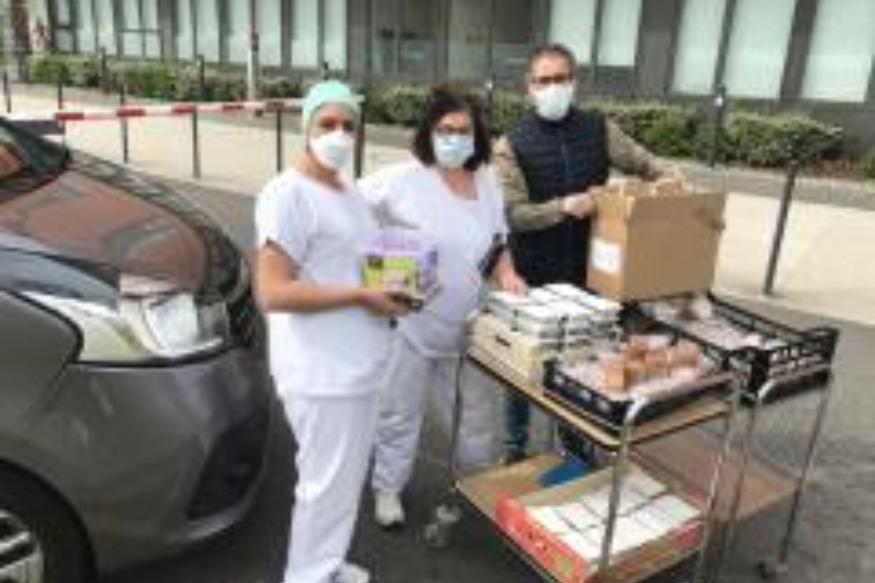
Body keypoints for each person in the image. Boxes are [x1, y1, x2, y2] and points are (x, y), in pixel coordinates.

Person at [254, 80, 411, 583]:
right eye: (327, 123)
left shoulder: (346, 190)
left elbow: (352, 264)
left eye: (348, 125)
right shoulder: (287, 194)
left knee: (341, 486)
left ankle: (326, 565)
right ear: (306, 127)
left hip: (358, 362)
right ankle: (307, 575)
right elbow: (274, 292)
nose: (339, 134)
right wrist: (362, 296)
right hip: (321, 370)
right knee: (323, 487)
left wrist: (399, 286)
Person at [494, 43, 681, 462]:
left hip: (589, 270)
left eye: (561, 78)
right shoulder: (511, 144)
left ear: (574, 81)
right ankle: (515, 445)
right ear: (529, 86)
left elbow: (645, 162)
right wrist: (561, 207)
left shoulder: (598, 130)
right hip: (532, 273)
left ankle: (574, 440)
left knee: (581, 362)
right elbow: (513, 214)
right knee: (523, 365)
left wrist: (673, 180)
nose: (553, 87)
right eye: (544, 80)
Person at [358, 87, 527, 529]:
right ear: (429, 133)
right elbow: (348, 207)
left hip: (467, 324)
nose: (454, 138)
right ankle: (388, 489)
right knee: (399, 411)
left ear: (477, 135)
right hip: (410, 325)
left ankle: (477, 486)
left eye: (463, 130)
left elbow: (497, 241)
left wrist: (508, 274)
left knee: (474, 416)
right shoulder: (404, 178)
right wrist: (375, 263)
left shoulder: (486, 180)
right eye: (445, 130)